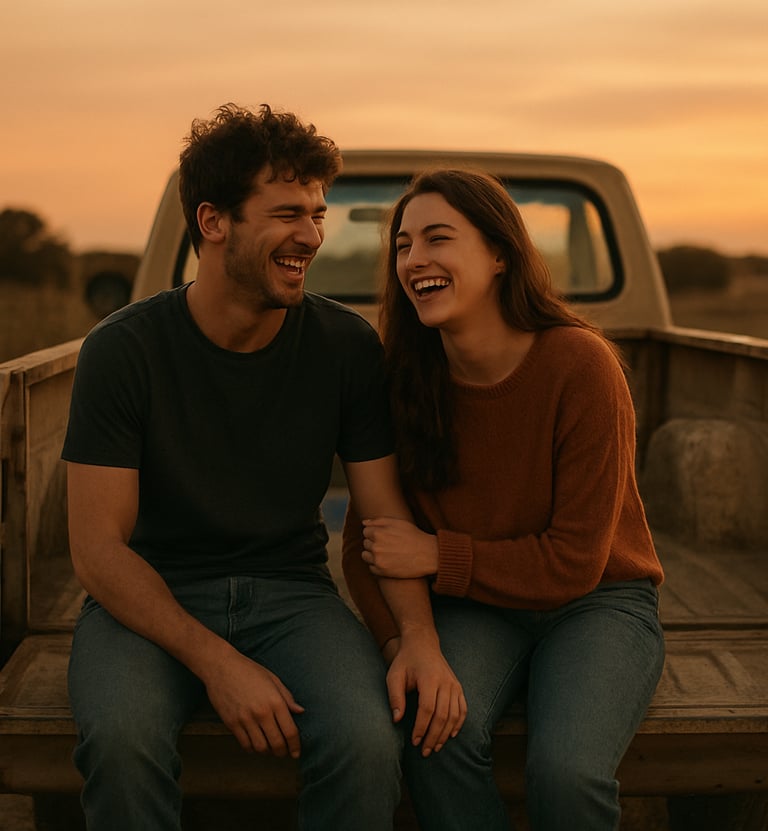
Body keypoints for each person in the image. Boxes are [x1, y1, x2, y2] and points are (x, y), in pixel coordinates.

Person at [62, 104, 463, 831]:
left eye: (317, 212)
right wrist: (219, 663)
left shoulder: (345, 347)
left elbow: (384, 516)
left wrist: (419, 639)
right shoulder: (123, 350)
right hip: (150, 599)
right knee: (122, 742)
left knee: (368, 742)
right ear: (213, 222)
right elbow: (97, 551)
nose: (311, 234)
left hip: (291, 595)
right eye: (287, 213)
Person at [342, 168, 666, 831]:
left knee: (567, 774)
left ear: (498, 255)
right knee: (433, 735)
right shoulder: (403, 381)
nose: (415, 259)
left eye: (438, 238)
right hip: (480, 609)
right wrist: (406, 642)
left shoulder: (581, 366)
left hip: (597, 600)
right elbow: (365, 546)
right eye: (403, 245)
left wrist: (436, 554)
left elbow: (574, 562)